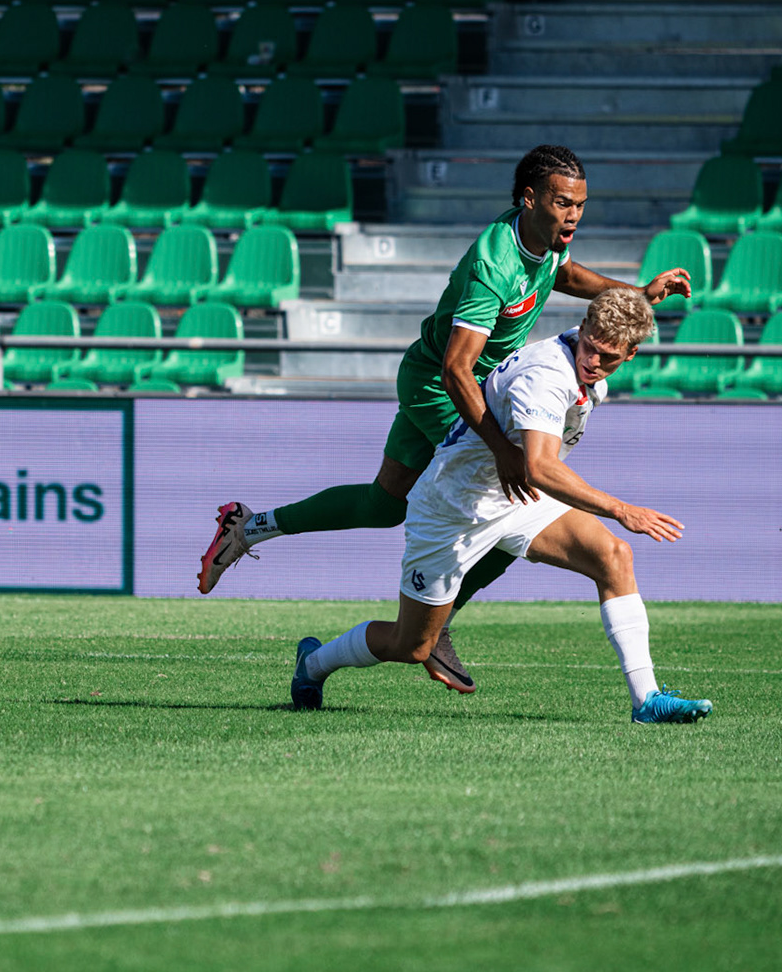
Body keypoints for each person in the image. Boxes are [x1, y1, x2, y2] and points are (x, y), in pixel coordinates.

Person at [199, 145, 694, 692]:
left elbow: (567, 274)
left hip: (453, 382)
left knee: (380, 505)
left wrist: (632, 296)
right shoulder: (493, 267)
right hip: (444, 386)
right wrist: (503, 449)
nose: (574, 213)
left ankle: (250, 526)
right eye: (563, 202)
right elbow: (459, 369)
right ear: (530, 199)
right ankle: (440, 624)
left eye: (580, 203)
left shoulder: (544, 239)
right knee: (510, 495)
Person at [289, 288, 713, 725]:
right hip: (453, 510)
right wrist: (622, 510)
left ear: (632, 353)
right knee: (410, 645)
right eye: (590, 348)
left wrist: (642, 297)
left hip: (514, 498)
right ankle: (315, 663)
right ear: (581, 329)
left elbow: (613, 313)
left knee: (613, 556)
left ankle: (646, 700)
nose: (593, 362)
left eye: (609, 357)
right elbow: (541, 469)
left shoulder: (589, 352)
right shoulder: (547, 376)